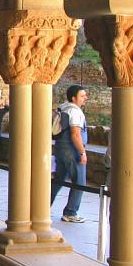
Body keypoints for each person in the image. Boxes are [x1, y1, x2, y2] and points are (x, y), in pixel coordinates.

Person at [50, 84, 89, 223]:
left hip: (60, 147)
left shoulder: (63, 107)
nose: (85, 98)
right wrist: (82, 152)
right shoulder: (75, 112)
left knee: (59, 179)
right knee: (79, 181)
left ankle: (42, 205)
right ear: (74, 98)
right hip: (71, 150)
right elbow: (75, 134)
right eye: (82, 96)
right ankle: (71, 212)